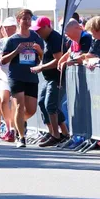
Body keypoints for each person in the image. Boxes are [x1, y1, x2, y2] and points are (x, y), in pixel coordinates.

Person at [0, 9, 44, 148]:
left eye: (29, 19)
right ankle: (21, 137)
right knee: (19, 106)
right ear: (18, 20)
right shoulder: (12, 40)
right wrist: (16, 51)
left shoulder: (36, 37)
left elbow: (42, 58)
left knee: (31, 109)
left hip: (31, 76)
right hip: (16, 76)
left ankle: (18, 122)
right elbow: (3, 60)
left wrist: (39, 50)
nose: (27, 22)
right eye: (24, 19)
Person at [30, 16, 69, 147]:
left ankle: (56, 135)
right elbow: (48, 57)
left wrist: (42, 67)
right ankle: (59, 132)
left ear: (47, 27)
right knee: (42, 103)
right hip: (48, 78)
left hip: (56, 77)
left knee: (51, 105)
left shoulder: (55, 38)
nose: (37, 32)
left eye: (39, 29)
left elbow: (59, 59)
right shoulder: (47, 39)